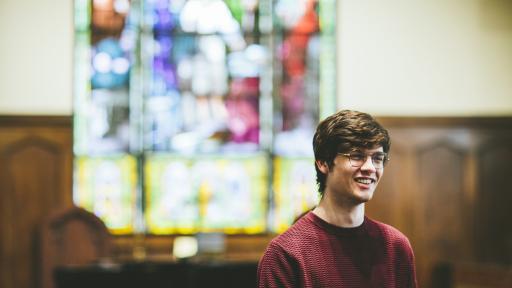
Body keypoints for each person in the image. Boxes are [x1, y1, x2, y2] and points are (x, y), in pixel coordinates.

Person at [258, 110, 418, 288]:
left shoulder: (395, 246)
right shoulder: (286, 254)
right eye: (357, 156)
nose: (370, 167)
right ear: (323, 163)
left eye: (377, 159)